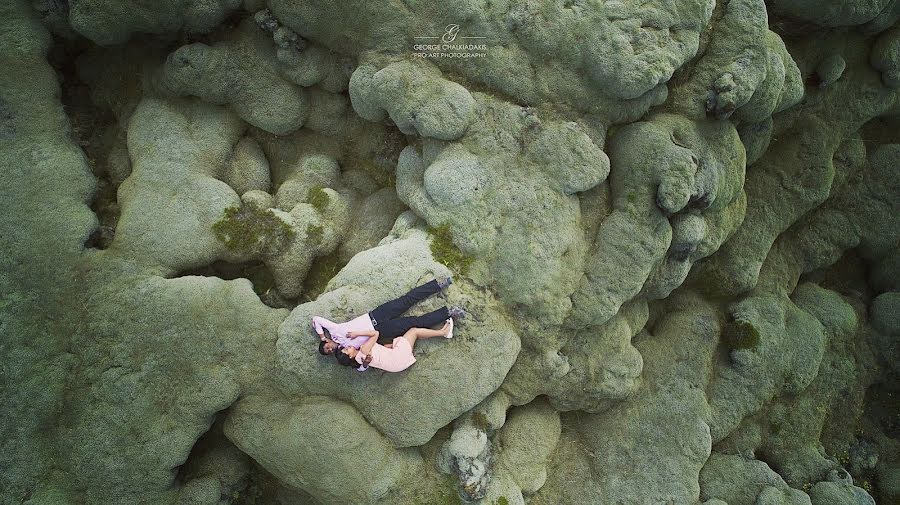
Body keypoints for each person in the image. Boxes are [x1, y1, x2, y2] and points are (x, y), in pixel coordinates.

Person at [313, 276, 466, 356]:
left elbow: (316, 320)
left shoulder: (334, 331)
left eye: (327, 347)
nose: (330, 349)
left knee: (407, 299)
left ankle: (438, 284)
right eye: (329, 352)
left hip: (376, 315)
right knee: (415, 323)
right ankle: (449, 312)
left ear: (327, 342)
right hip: (383, 331)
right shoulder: (346, 352)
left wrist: (322, 337)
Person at [334, 319, 454, 372]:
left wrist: (391, 346)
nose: (348, 347)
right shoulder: (363, 351)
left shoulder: (360, 360)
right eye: (346, 350)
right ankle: (444, 332)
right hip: (396, 359)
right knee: (413, 331)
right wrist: (357, 333)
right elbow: (375, 333)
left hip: (396, 365)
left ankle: (441, 331)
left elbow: (379, 354)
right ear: (349, 356)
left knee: (403, 339)